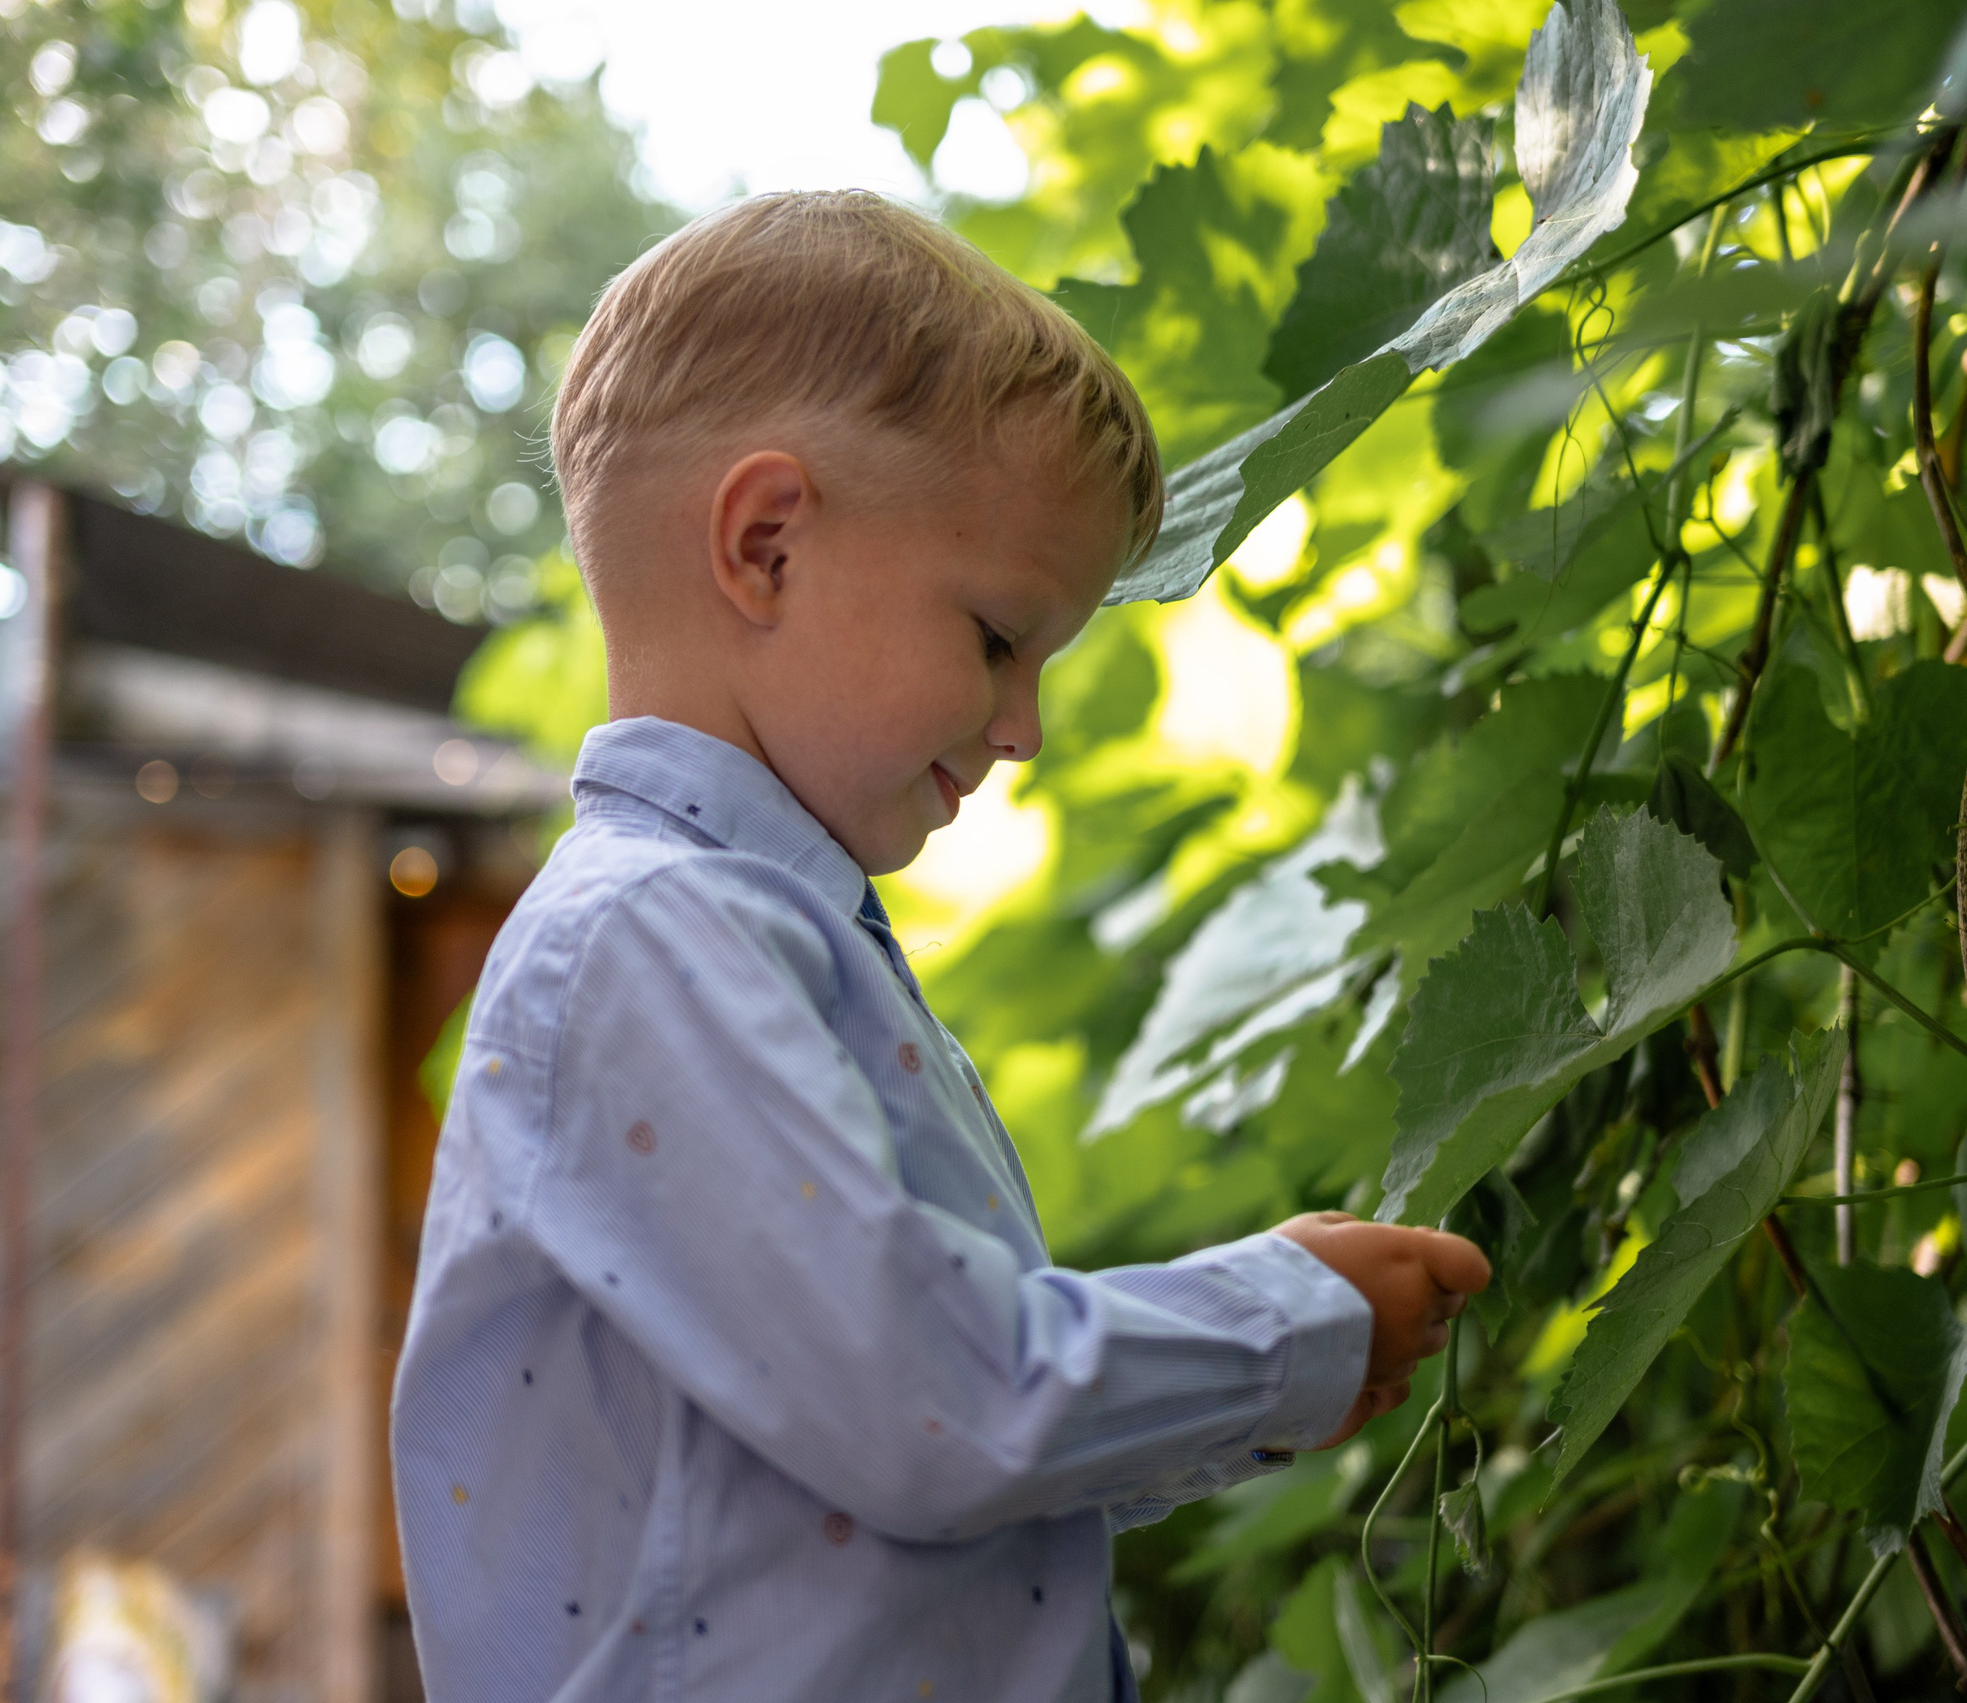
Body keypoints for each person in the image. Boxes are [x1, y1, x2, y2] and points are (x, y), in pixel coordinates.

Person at [392, 190, 1491, 1703]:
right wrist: (1278, 1326)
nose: (1025, 727)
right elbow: (937, 1404)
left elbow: (892, 1477)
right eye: (996, 638)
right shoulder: (653, 937)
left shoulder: (755, 942)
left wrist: (1272, 1380)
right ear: (765, 544)